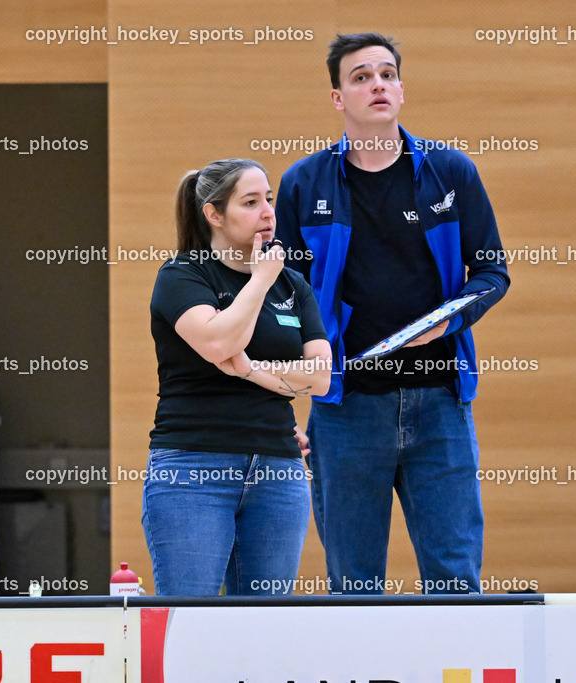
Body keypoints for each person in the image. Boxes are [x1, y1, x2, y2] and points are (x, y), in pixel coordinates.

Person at [274, 33, 511, 594]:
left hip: (442, 406)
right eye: (360, 77)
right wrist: (287, 386)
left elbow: (492, 274)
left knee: (455, 579)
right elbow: (284, 297)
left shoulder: (451, 172)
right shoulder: (302, 185)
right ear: (338, 98)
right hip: (344, 410)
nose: (377, 84)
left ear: (401, 89)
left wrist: (448, 321)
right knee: (354, 586)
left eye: (386, 74)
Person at [144, 158, 332, 596]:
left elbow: (320, 379)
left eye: (268, 199)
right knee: (189, 621)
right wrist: (260, 281)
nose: (268, 212)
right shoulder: (182, 276)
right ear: (214, 214)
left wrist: (251, 370)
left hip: (277, 470)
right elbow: (218, 344)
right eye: (250, 202)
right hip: (193, 467)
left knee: (262, 630)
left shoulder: (293, 285)